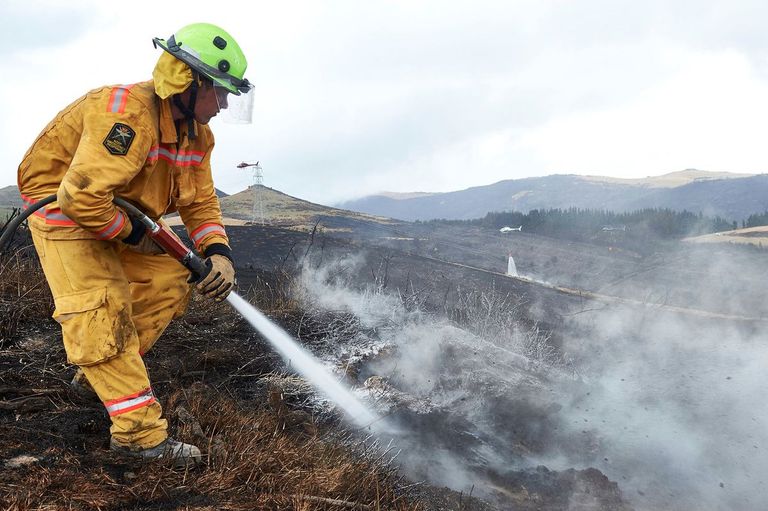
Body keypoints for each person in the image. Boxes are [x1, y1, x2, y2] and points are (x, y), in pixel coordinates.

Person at [16, 23, 254, 467]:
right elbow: (80, 196)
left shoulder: (197, 135)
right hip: (65, 215)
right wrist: (132, 235)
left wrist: (218, 252)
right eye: (220, 92)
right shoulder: (126, 113)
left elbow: (199, 201)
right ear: (189, 80)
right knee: (101, 309)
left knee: (170, 278)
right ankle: (139, 438)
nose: (224, 104)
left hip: (119, 216)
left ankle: (100, 374)